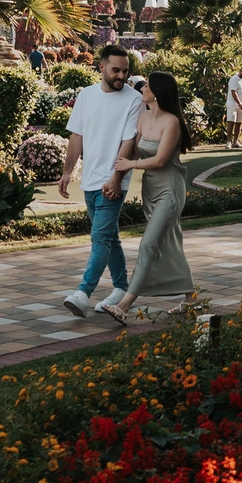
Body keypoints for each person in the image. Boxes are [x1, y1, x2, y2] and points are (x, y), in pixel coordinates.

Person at [103, 71, 195, 323]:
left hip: (170, 190)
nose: (142, 88)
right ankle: (191, 299)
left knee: (148, 244)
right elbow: (133, 147)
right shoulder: (143, 118)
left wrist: (129, 165)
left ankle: (124, 305)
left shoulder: (172, 122)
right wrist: (115, 172)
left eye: (147, 85)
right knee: (169, 244)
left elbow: (160, 159)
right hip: (151, 191)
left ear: (158, 92)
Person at [59, 44, 143, 317]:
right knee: (109, 237)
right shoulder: (86, 95)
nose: (121, 76)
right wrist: (67, 171)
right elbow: (77, 136)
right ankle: (120, 287)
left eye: (125, 71)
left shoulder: (133, 99)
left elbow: (129, 141)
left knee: (99, 239)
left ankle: (83, 293)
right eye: (116, 70)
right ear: (102, 67)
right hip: (90, 180)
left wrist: (117, 178)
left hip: (112, 182)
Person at [225, 66, 242, 149]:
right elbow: (233, 92)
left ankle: (235, 141)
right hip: (232, 104)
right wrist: (239, 103)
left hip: (241, 105)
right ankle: (228, 142)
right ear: (240, 71)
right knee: (231, 122)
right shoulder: (233, 79)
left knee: (239, 123)